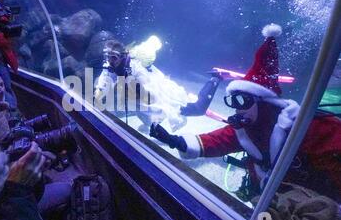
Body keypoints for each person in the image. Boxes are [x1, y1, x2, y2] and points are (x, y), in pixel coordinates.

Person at [150, 24, 341, 203]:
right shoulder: (245, 130)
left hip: (308, 210)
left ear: (265, 102)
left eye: (242, 100)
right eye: (233, 101)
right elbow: (217, 141)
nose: (236, 108)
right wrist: (175, 141)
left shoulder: (313, 128)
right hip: (265, 200)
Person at [94, 40, 221, 132]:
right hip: (141, 104)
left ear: (122, 57)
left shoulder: (136, 68)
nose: (109, 61)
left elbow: (150, 96)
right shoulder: (111, 66)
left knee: (198, 110)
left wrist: (128, 87)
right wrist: (98, 94)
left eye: (113, 57)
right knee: (147, 117)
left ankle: (216, 78)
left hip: (161, 95)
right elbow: (103, 82)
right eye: (107, 57)